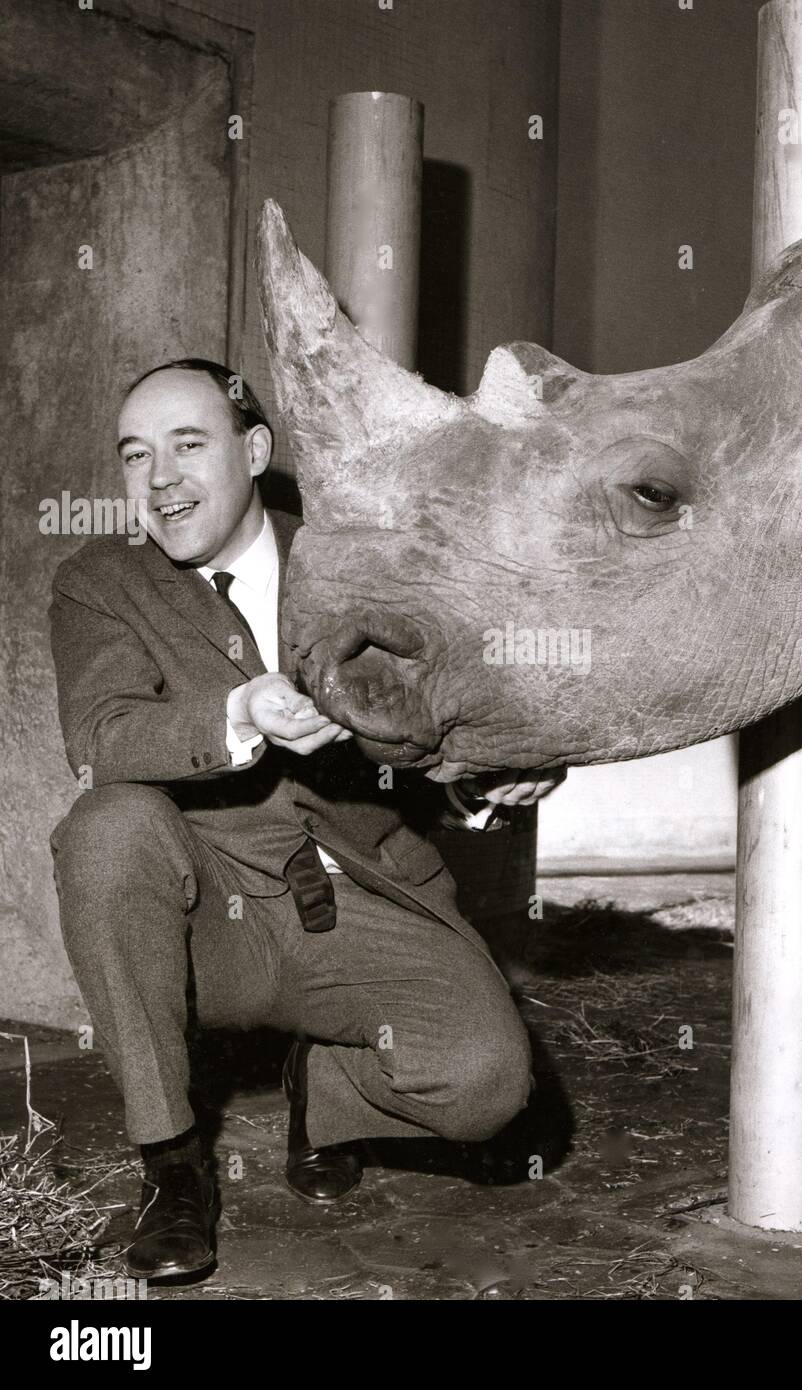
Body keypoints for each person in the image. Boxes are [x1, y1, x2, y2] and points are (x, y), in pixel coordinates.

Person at [48, 358, 564, 1282]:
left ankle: (323, 1087)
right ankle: (172, 1166)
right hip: (206, 914)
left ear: (253, 451)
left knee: (487, 1088)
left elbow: (433, 740)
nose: (160, 479)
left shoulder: (362, 563)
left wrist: (487, 782)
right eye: (136, 456)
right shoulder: (100, 581)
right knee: (105, 827)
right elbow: (104, 736)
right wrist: (239, 714)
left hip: (361, 897)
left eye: (188, 445)